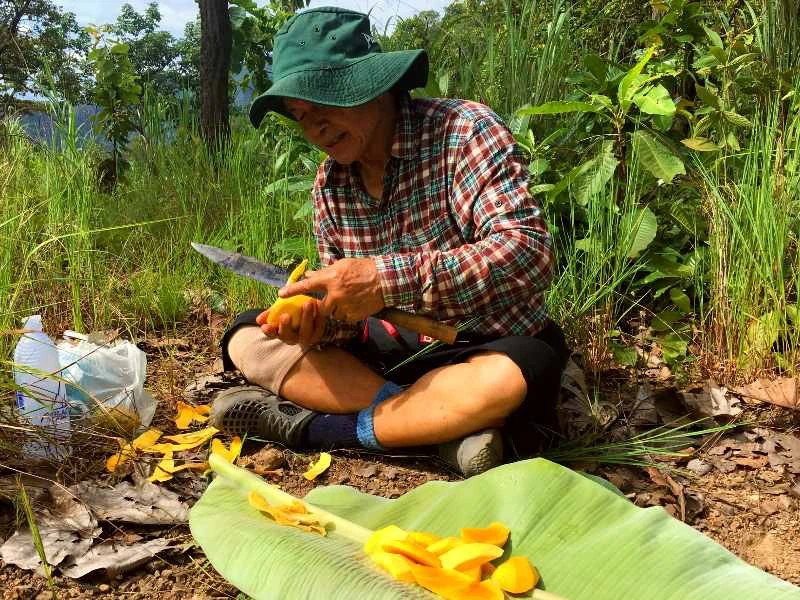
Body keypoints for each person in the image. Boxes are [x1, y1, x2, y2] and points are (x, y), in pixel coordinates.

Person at [210, 6, 570, 477]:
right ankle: (438, 424)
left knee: (509, 378)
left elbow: (528, 253)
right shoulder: (331, 184)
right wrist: (317, 322)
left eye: (325, 103)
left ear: (375, 85)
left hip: (484, 344)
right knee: (248, 338)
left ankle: (321, 430)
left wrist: (385, 278)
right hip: (387, 359)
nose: (313, 128)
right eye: (300, 115)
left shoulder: (463, 133)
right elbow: (349, 320)